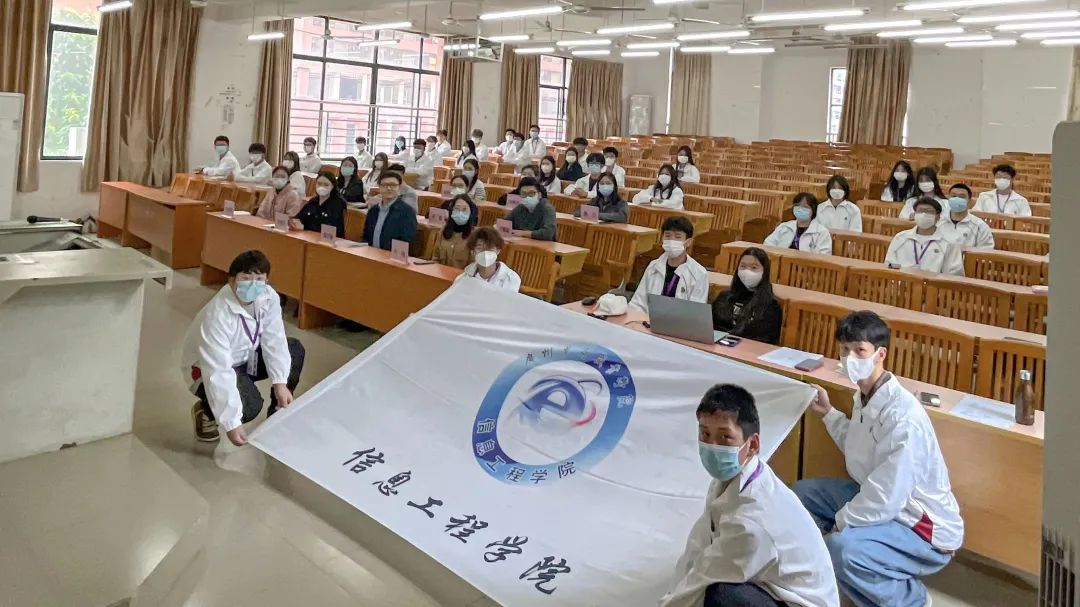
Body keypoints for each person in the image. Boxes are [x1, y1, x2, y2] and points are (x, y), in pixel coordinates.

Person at [795, 311, 963, 607]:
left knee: (842, 548)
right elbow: (859, 447)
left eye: (859, 350)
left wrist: (840, 523)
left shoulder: (903, 417)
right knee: (801, 495)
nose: (850, 358)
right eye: (844, 349)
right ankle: (852, 570)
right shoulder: (865, 395)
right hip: (884, 501)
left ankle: (911, 598)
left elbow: (887, 496)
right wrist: (829, 414)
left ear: (880, 354)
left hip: (920, 526)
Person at [660, 384, 840, 607]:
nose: (712, 446)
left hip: (801, 602)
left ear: (752, 444)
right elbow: (700, 541)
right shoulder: (734, 478)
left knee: (720, 594)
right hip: (775, 584)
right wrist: (672, 590)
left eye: (725, 437)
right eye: (705, 434)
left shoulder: (751, 520)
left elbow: (705, 576)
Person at [184, 250, 305, 445]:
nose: (253, 285)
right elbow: (217, 369)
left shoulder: (268, 297)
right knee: (249, 407)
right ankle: (207, 411)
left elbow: (275, 339)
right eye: (246, 279)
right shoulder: (217, 314)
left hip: (246, 357)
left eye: (259, 279)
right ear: (232, 280)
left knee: (294, 349)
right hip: (206, 368)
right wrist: (231, 422)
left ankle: (278, 408)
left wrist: (280, 382)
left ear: (266, 281)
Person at [629, 216, 708, 313]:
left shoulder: (699, 273)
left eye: (678, 237)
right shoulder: (653, 266)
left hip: (679, 321)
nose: (671, 240)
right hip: (648, 319)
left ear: (688, 242)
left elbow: (696, 312)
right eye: (667, 236)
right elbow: (638, 302)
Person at [711, 248, 784, 345]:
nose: (747, 271)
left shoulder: (771, 306)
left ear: (764, 272)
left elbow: (765, 341)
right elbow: (710, 325)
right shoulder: (724, 297)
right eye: (743, 266)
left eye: (754, 267)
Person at [884, 197, 964, 276]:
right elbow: (889, 265)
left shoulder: (949, 242)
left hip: (934, 283)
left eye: (929, 211)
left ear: (938, 216)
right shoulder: (900, 238)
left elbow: (954, 274)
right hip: (903, 281)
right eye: (920, 211)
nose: (924, 214)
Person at [362, 171, 418, 250]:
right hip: (371, 253)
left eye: (393, 185)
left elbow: (407, 240)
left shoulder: (407, 212)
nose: (388, 188)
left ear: (399, 188)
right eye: (384, 185)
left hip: (392, 256)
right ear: (379, 187)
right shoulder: (373, 210)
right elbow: (366, 236)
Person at [456, 227, 522, 292]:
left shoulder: (511, 278)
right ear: (472, 252)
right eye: (479, 248)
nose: (485, 253)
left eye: (490, 248)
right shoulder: (463, 278)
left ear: (498, 251)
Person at [764, 193, 832, 254]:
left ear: (813, 210)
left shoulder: (822, 232)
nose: (800, 209)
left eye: (805, 207)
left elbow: (824, 256)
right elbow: (767, 244)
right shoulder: (784, 226)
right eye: (797, 206)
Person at [938, 184, 994, 250]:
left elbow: (986, 251)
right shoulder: (938, 221)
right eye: (953, 196)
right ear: (948, 198)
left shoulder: (980, 226)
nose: (957, 199)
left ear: (969, 200)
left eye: (962, 197)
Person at [432, 194, 478, 269]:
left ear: (471, 213)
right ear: (452, 211)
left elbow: (474, 266)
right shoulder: (443, 230)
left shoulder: (475, 236)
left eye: (464, 209)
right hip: (440, 273)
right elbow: (435, 257)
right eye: (457, 209)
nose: (460, 212)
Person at [295, 171, 346, 237]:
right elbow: (299, 218)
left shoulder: (338, 204)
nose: (322, 187)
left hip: (329, 240)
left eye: (326, 185)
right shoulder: (313, 201)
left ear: (332, 186)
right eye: (319, 184)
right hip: (309, 237)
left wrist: (304, 227)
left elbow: (330, 229)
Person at [506, 176, 557, 241]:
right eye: (524, 194)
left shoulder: (548, 208)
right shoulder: (520, 207)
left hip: (542, 245)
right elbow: (505, 223)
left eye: (531, 193)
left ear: (539, 195)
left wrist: (522, 233)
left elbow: (548, 234)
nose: (527, 197)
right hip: (522, 243)